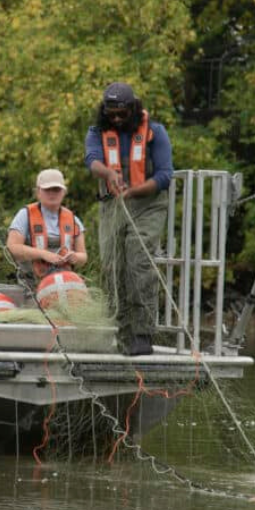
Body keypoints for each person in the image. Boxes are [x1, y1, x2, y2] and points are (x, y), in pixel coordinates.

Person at [84, 82, 173, 356]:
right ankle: (121, 334)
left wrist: (134, 191)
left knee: (139, 260)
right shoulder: (97, 132)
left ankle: (142, 333)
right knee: (112, 266)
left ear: (133, 108)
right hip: (112, 207)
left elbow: (164, 175)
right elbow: (92, 159)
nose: (118, 119)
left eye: (122, 113)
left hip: (147, 206)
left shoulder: (155, 132)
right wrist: (109, 175)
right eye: (112, 114)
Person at [5, 168, 88, 292]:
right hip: (31, 288)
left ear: (63, 192)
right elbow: (12, 248)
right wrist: (44, 254)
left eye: (56, 189)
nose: (52, 193)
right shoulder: (25, 215)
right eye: (47, 189)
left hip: (65, 287)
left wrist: (75, 257)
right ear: (38, 192)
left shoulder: (73, 219)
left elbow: (83, 256)